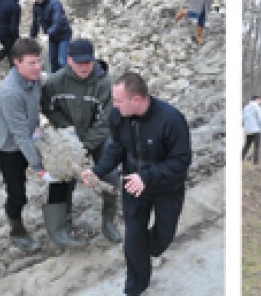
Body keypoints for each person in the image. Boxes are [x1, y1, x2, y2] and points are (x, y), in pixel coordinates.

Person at [81, 72, 191, 296]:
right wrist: (97, 171)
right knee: (134, 239)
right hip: (132, 184)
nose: (114, 105)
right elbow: (117, 148)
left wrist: (147, 177)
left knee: (162, 238)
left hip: (166, 187)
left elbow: (181, 162)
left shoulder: (171, 119)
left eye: (119, 100)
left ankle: (148, 251)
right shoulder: (118, 116)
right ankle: (135, 287)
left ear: (137, 99)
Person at [40, 39, 121, 247]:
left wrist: (82, 146)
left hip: (98, 137)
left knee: (110, 175)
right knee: (62, 179)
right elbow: (49, 108)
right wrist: (67, 132)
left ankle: (108, 222)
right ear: (68, 59)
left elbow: (106, 122)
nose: (84, 67)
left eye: (88, 62)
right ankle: (61, 228)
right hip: (68, 137)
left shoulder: (105, 84)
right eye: (79, 62)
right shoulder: (55, 82)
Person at [0, 38, 55, 252]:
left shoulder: (34, 78)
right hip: (8, 148)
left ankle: (60, 219)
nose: (38, 67)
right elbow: (19, 136)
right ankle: (16, 231)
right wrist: (38, 167)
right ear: (17, 63)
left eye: (39, 61)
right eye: (32, 63)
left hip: (29, 137)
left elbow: (38, 99)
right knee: (17, 192)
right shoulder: (9, 92)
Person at [29, 0, 72, 73]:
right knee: (53, 60)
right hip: (52, 37)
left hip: (63, 34)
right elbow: (35, 22)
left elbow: (58, 21)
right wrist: (32, 36)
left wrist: (48, 33)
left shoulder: (54, 3)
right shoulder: (36, 6)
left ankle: (69, 80)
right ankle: (55, 82)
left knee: (62, 61)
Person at [242, 95, 261, 165]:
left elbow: (242, 118)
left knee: (247, 145)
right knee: (257, 146)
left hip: (248, 130)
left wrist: (244, 127)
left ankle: (240, 158)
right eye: (259, 100)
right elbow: (260, 119)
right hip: (256, 130)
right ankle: (256, 162)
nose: (260, 101)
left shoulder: (246, 107)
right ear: (256, 99)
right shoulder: (257, 107)